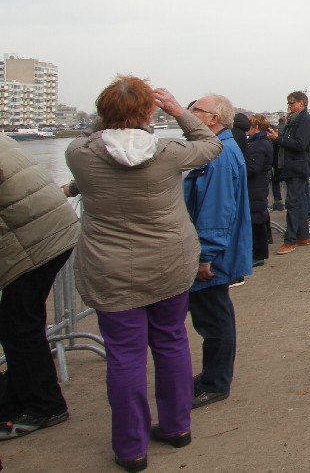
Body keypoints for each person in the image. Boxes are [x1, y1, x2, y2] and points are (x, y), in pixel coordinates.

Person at [65, 77, 222, 471]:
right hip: (169, 262)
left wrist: (112, 112)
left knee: (124, 355)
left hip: (111, 268)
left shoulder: (79, 154)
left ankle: (131, 447)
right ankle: (177, 426)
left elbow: (94, 134)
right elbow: (211, 144)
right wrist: (177, 110)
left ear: (102, 113)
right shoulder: (168, 152)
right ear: (150, 112)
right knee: (171, 341)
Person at [0, 137, 80, 442]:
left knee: (19, 327)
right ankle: (22, 397)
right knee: (20, 324)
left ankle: (45, 406)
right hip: (50, 230)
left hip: (35, 241)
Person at [183, 94, 253, 410]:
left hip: (214, 253)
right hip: (217, 247)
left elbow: (217, 209)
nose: (187, 113)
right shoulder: (217, 149)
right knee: (213, 315)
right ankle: (213, 376)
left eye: (194, 110)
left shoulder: (218, 155)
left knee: (214, 317)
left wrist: (206, 255)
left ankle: (215, 382)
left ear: (213, 118)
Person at [270, 91, 310, 251]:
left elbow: (300, 144)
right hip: (296, 166)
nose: (289, 106)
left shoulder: (304, 120)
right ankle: (302, 236)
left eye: (291, 103)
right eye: (288, 103)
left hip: (297, 167)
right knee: (301, 202)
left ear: (301, 103)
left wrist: (278, 139)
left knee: (293, 203)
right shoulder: (295, 120)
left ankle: (291, 240)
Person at [244, 114, 274, 266]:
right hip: (259, 184)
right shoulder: (262, 142)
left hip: (255, 185)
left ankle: (258, 254)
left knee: (256, 218)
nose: (246, 130)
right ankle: (262, 248)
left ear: (256, 127)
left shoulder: (258, 144)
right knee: (260, 215)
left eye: (249, 126)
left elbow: (253, 168)